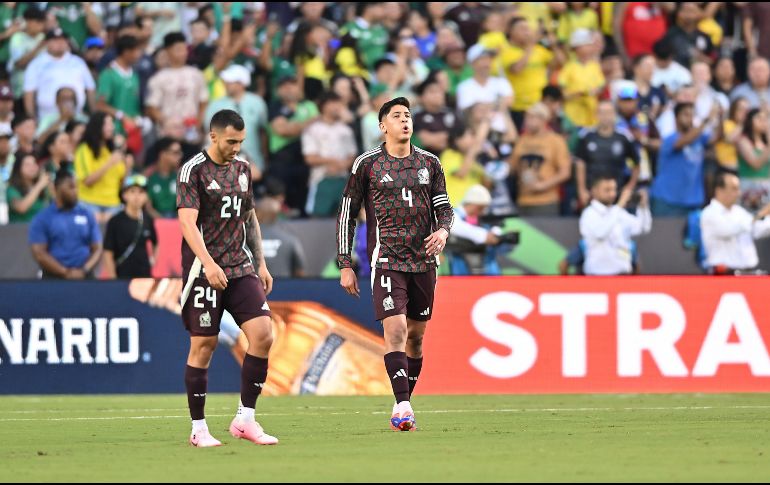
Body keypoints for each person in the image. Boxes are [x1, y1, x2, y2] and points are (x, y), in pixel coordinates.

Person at [336, 97, 454, 432]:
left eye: (408, 116)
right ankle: (403, 406)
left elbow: (444, 207)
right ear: (382, 126)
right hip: (386, 257)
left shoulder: (429, 163)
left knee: (416, 337)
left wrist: (443, 231)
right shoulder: (367, 164)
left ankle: (402, 401)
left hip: (424, 259)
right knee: (397, 329)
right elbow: (347, 214)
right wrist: (345, 263)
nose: (405, 121)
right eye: (397, 116)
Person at [177, 109, 277, 447]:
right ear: (214, 136)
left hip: (239, 266)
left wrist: (260, 264)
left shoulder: (243, 168)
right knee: (203, 345)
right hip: (204, 270)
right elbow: (187, 223)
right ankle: (198, 428)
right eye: (231, 141)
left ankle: (245, 418)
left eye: (241, 141)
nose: (236, 147)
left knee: (263, 334)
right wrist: (207, 263)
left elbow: (249, 218)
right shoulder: (193, 171)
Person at [28, 169, 102, 279]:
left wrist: (84, 270)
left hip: (85, 277)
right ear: (56, 188)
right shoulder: (42, 218)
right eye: (71, 187)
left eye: (76, 187)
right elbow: (39, 253)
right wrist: (65, 272)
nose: (75, 191)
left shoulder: (87, 214)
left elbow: (97, 248)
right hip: (54, 278)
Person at [651, 102, 720, 217]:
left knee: (691, 235)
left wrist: (720, 116)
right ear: (676, 117)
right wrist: (706, 120)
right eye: (686, 115)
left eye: (692, 115)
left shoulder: (700, 139)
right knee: (664, 234)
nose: (690, 119)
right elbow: (682, 142)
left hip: (692, 200)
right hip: (667, 200)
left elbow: (717, 137)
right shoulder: (670, 139)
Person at [579, 174, 652, 275]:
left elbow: (643, 228)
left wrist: (643, 207)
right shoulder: (589, 213)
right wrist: (620, 204)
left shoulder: (619, 212)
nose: (612, 194)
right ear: (594, 191)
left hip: (622, 276)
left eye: (614, 189)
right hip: (598, 276)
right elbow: (600, 233)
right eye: (607, 190)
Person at [509, 102, 571, 217]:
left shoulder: (556, 141)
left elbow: (565, 172)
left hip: (546, 201)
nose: (527, 121)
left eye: (531, 117)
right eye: (526, 117)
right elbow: (512, 168)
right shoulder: (522, 140)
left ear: (543, 119)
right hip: (523, 200)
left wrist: (542, 185)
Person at [205, 64, 269, 176]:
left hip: (254, 162)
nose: (226, 84)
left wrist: (264, 157)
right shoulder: (215, 104)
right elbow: (209, 134)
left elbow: (263, 132)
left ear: (242, 83)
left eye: (230, 81)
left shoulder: (257, 102)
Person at [701, 172, 770, 274]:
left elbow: (757, 230)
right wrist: (761, 214)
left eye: (738, 188)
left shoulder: (739, 211)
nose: (739, 193)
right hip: (723, 274)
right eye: (734, 188)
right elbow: (731, 229)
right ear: (719, 191)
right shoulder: (709, 213)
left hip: (747, 272)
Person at [301, 91, 357, 217]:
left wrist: (342, 166)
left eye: (339, 103)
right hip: (321, 179)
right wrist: (333, 162)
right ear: (323, 106)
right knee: (317, 219)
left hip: (343, 180)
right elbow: (309, 158)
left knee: (345, 219)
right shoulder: (312, 129)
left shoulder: (346, 129)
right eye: (333, 103)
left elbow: (352, 155)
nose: (337, 107)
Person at [575, 101, 639, 208]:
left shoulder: (624, 137)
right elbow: (580, 163)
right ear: (596, 115)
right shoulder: (586, 136)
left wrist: (629, 187)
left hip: (616, 194)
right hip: (592, 194)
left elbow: (636, 163)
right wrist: (581, 190)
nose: (605, 116)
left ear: (615, 115)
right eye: (602, 112)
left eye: (609, 112)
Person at [23, 28, 96, 122]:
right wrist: (32, 118)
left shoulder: (78, 62)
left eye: (62, 40)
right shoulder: (36, 64)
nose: (60, 43)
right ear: (46, 43)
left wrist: (93, 113)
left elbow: (90, 88)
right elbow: (29, 93)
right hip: (47, 117)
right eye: (55, 40)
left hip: (76, 116)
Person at [74, 112, 132, 223]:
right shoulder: (84, 149)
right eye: (108, 124)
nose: (112, 127)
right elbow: (87, 181)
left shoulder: (112, 150)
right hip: (89, 202)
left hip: (113, 204)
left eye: (112, 124)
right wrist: (109, 163)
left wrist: (127, 167)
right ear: (97, 126)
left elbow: (121, 184)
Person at [447, 184, 510, 276]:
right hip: (461, 264)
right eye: (481, 208)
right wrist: (484, 236)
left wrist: (496, 233)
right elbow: (453, 226)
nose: (483, 211)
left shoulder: (483, 219)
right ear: (473, 204)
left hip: (486, 264)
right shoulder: (453, 214)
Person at [102, 175, 157, 279]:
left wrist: (153, 259)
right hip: (121, 277)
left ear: (146, 197)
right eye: (132, 191)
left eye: (141, 192)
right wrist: (113, 277)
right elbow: (107, 252)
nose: (137, 196)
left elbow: (155, 242)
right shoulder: (115, 221)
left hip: (144, 277)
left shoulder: (148, 219)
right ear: (124, 195)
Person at [96, 34, 143, 135]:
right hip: (115, 130)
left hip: (133, 130)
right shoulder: (108, 74)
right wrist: (122, 116)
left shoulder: (134, 74)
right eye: (136, 51)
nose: (139, 55)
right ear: (126, 52)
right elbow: (100, 105)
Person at [558, 29, 605, 129]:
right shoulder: (569, 67)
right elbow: (562, 92)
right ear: (576, 48)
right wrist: (581, 93)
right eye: (586, 45)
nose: (590, 48)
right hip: (573, 115)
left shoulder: (594, 66)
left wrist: (596, 90)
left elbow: (601, 85)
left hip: (591, 115)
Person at [255, 197, 307, 278]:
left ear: (256, 214)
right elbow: (300, 273)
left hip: (253, 288)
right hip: (284, 288)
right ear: (277, 214)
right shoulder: (290, 240)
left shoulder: (244, 241)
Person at [736, 108, 770, 211]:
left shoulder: (765, 143)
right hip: (750, 187)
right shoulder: (743, 141)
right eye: (759, 117)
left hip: (767, 186)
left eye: (765, 118)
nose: (763, 121)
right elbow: (756, 164)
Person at [7, 151, 49, 223]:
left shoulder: (43, 189)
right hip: (18, 232)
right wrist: (39, 185)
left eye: (34, 163)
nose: (32, 167)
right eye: (27, 165)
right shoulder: (11, 190)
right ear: (18, 168)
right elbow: (21, 207)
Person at [145, 137, 181, 219]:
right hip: (154, 222)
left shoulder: (182, 176)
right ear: (163, 154)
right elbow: (148, 207)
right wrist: (163, 223)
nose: (179, 156)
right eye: (175, 153)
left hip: (177, 222)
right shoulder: (148, 176)